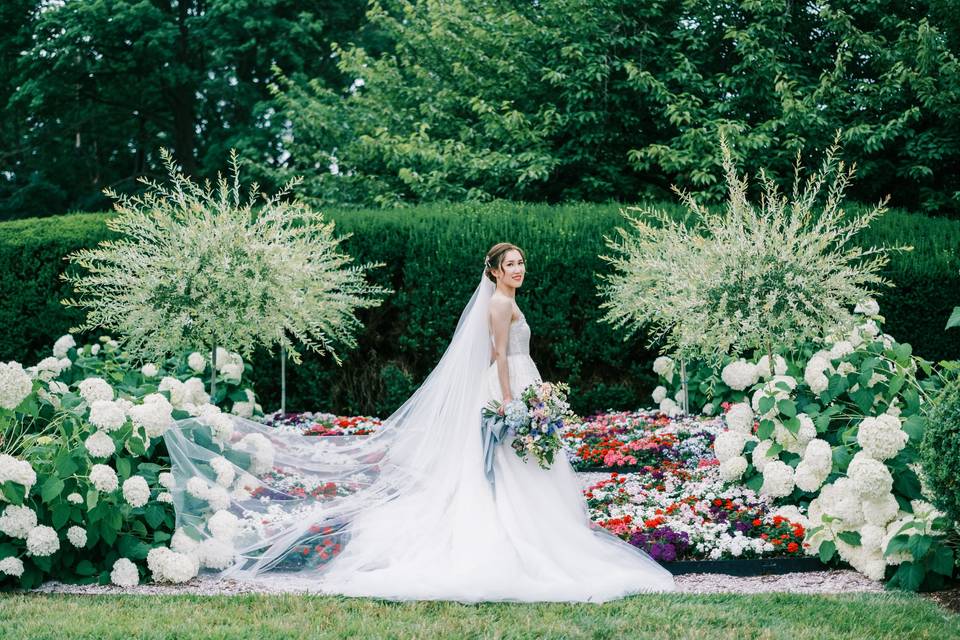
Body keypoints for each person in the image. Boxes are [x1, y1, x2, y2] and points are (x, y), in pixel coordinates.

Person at [162, 242, 676, 602]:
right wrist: (512, 407)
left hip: (522, 385)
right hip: (506, 392)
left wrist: (536, 390)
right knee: (502, 469)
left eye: (522, 263)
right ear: (494, 271)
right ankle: (513, 540)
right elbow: (498, 358)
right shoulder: (499, 305)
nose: (519, 270)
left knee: (519, 474)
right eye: (511, 264)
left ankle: (534, 535)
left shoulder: (511, 301)